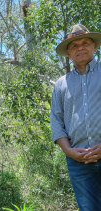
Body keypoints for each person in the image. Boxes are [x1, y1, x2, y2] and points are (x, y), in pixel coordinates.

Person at [51, 24, 101, 211]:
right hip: (79, 163)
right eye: (74, 45)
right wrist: (68, 151)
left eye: (85, 42)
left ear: (94, 47)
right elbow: (56, 121)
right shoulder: (61, 85)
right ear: (68, 53)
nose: (80, 47)